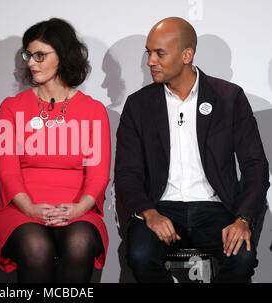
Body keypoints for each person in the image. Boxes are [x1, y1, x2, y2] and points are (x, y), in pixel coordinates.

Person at [115, 17, 269, 283]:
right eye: (148, 52)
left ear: (187, 55)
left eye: (159, 53)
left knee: (242, 258)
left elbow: (256, 166)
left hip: (217, 209)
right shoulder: (138, 105)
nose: (150, 61)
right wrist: (150, 214)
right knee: (139, 255)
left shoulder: (229, 97)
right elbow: (127, 173)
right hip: (160, 207)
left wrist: (243, 218)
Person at [0, 18, 111, 283]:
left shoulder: (94, 111)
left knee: (80, 242)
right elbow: (6, 171)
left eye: (40, 56)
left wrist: (79, 209)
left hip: (79, 211)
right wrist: (30, 208)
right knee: (36, 246)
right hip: (20, 210)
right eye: (29, 55)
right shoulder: (11, 108)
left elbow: (99, 176)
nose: (31, 62)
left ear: (63, 56)